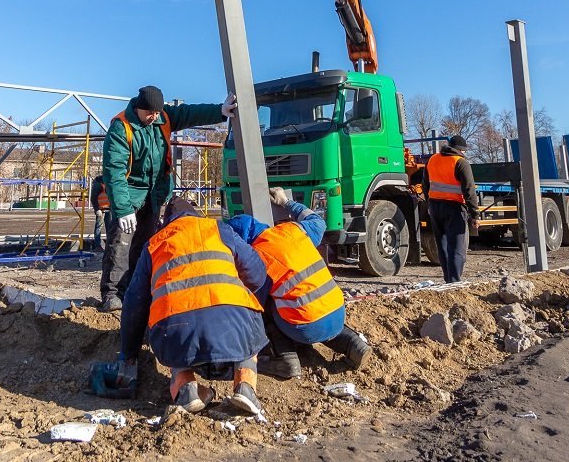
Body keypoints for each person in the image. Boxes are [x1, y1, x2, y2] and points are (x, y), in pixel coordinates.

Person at [116, 195, 268, 415]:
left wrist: (128, 354)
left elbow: (134, 304)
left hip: (175, 328)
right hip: (233, 318)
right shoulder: (218, 229)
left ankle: (186, 389)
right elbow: (256, 273)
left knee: (172, 331)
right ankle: (245, 386)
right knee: (249, 330)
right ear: (196, 215)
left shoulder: (156, 242)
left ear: (166, 222)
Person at [98, 85, 236, 313]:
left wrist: (220, 111)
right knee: (120, 244)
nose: (154, 117)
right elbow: (114, 171)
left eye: (157, 113)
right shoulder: (121, 128)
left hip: (153, 194)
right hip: (129, 194)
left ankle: (137, 290)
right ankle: (113, 294)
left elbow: (191, 113)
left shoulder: (163, 117)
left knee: (145, 245)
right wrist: (123, 209)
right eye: (150, 113)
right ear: (139, 109)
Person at [228, 187, 372, 379]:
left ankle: (285, 360)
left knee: (263, 308)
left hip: (305, 327)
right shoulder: (291, 230)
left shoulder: (257, 258)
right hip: (338, 311)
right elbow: (318, 222)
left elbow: (254, 306)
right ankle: (354, 345)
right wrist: (286, 203)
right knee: (316, 309)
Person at [420, 135, 480, 283]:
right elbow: (469, 191)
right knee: (457, 249)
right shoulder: (461, 163)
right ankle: (454, 282)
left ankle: (448, 279)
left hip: (434, 207)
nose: (464, 154)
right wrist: (475, 215)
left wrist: (429, 204)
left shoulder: (432, 160)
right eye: (464, 151)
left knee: (443, 247)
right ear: (460, 150)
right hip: (454, 208)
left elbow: (425, 185)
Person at [89, 176, 109, 251]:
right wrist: (97, 209)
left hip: (109, 208)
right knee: (98, 227)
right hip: (101, 209)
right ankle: (97, 245)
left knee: (109, 228)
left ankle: (109, 245)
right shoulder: (99, 183)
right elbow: (93, 197)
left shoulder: (110, 181)